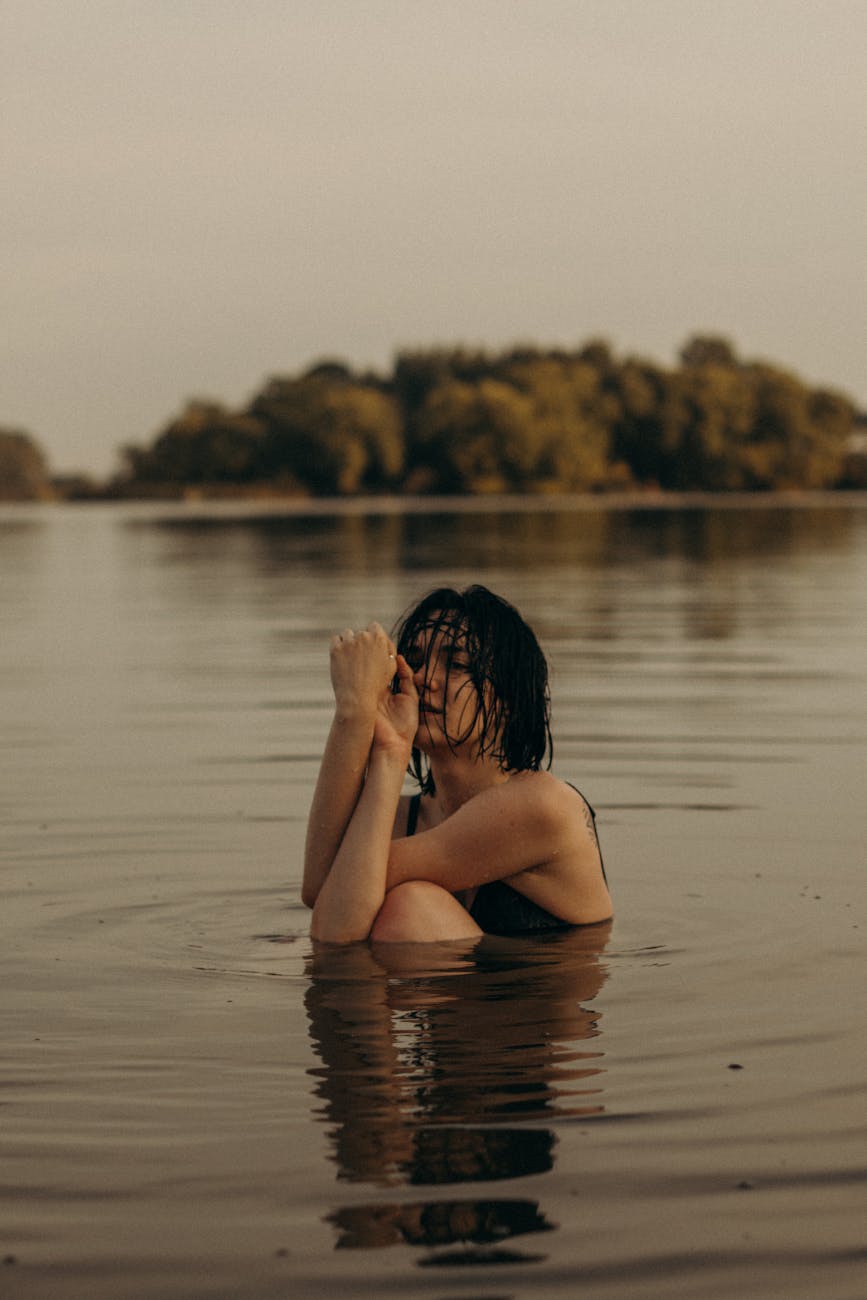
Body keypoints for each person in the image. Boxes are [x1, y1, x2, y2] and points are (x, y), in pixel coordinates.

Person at [302, 585, 612, 943]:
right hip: (447, 987)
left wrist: (360, 713)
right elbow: (321, 892)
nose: (423, 679)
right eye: (414, 662)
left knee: (411, 907)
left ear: (508, 699)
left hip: (528, 994)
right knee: (283, 946)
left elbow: (336, 922)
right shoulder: (406, 817)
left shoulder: (541, 806)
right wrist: (359, 722)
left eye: (457, 665)